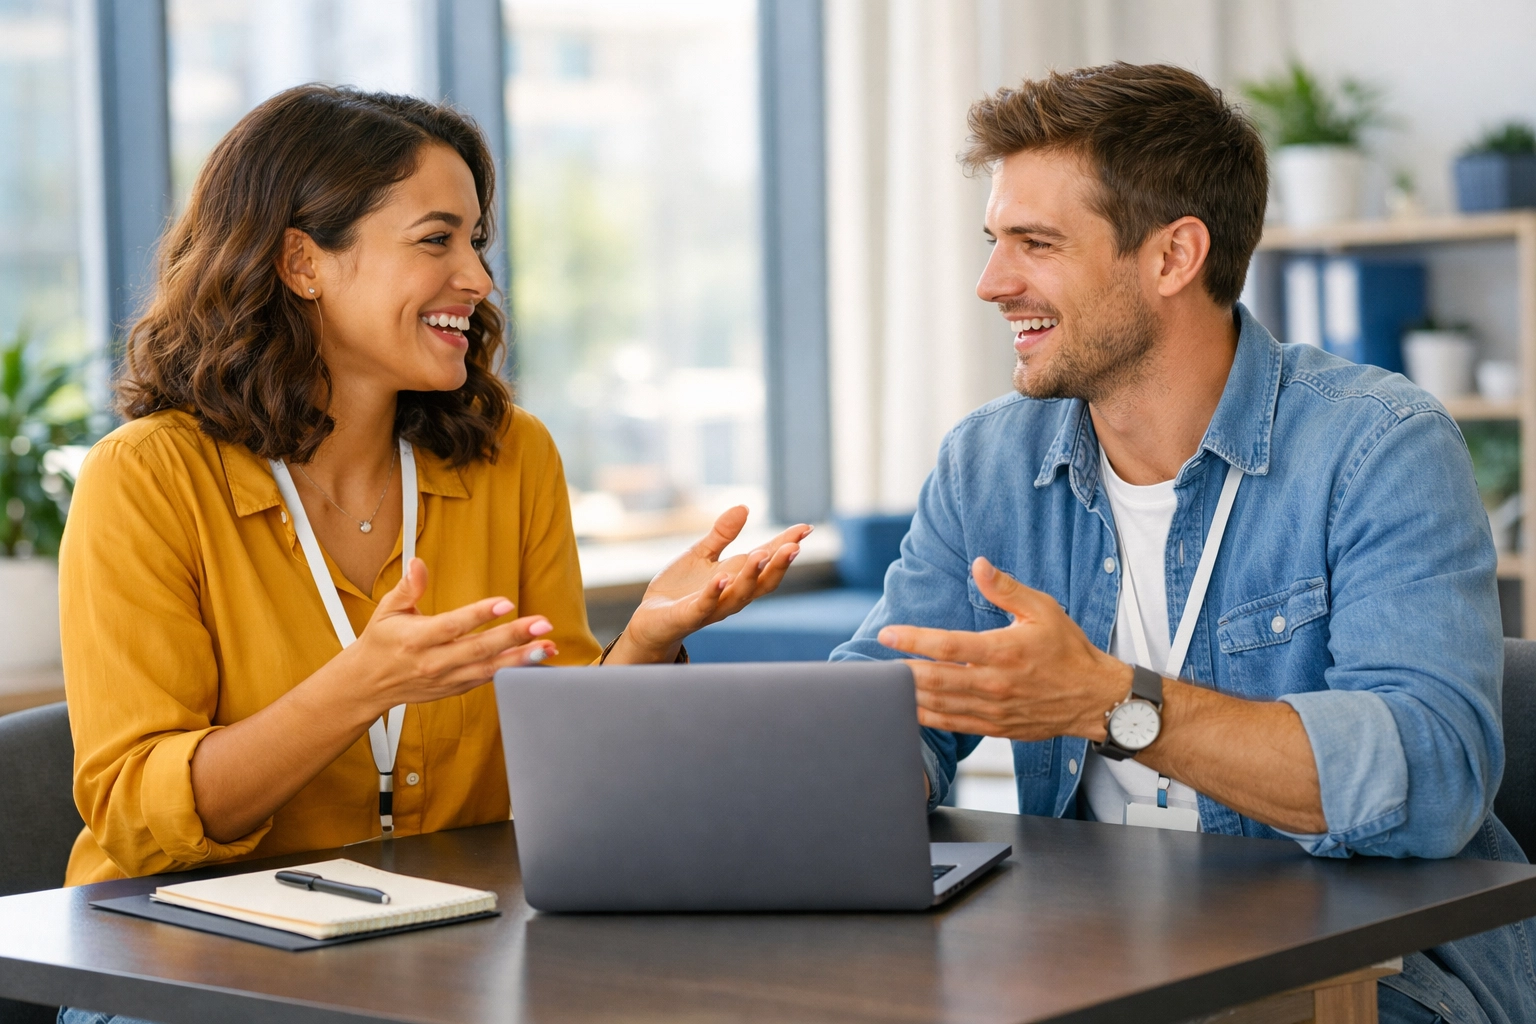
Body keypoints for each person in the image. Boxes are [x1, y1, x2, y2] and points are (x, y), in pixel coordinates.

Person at [831, 63, 1533, 1023]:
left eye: (1036, 243)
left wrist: (1119, 705)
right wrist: (849, 768)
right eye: (995, 242)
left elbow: (1435, 770)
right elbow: (896, 704)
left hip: (1369, 971)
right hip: (1088, 954)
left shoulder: (1378, 445)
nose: (993, 283)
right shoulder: (990, 460)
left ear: (1173, 257)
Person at [59, 85, 808, 889]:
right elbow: (138, 818)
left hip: (440, 948)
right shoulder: (145, 478)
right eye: (435, 240)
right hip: (183, 961)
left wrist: (647, 641)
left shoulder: (511, 457)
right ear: (302, 263)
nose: (478, 279)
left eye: (477, 242)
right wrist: (361, 687)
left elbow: (561, 764)